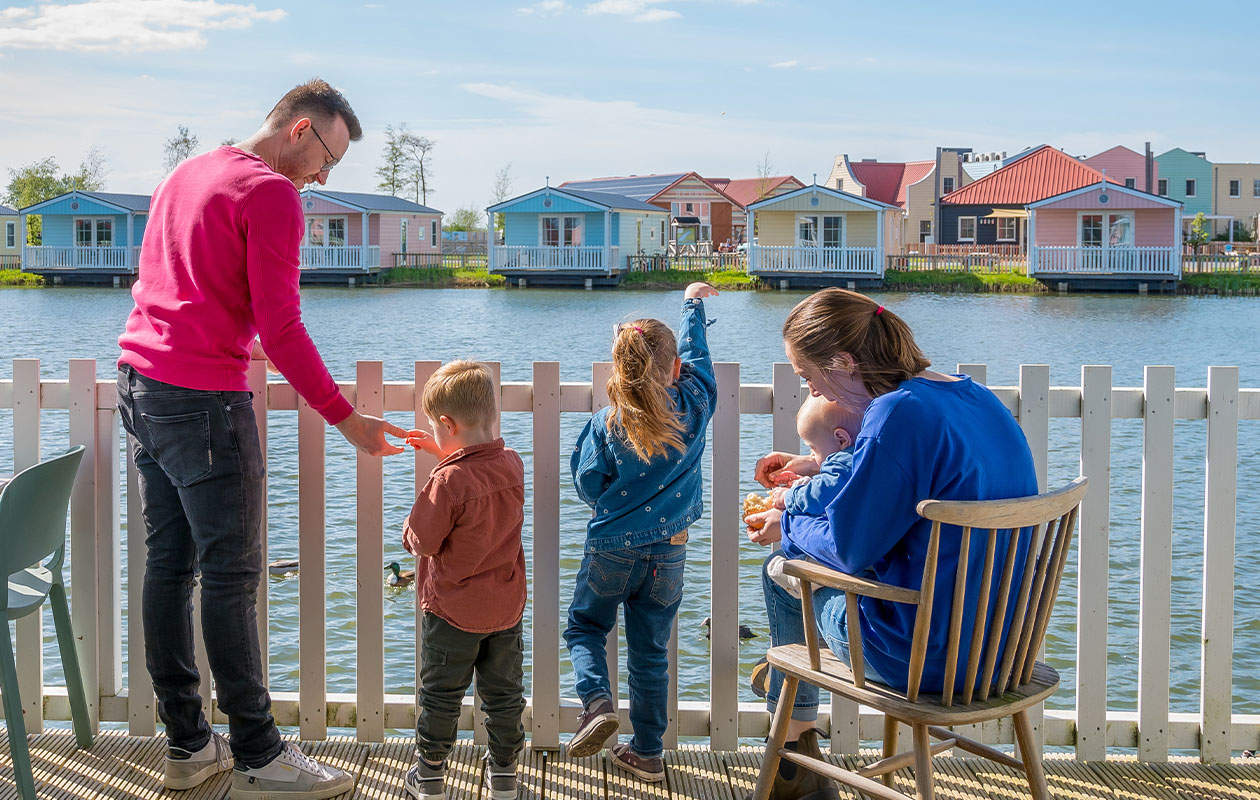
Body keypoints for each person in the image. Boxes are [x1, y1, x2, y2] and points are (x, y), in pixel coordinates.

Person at [116, 78, 407, 799]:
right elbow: (282, 327)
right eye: (327, 159)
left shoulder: (187, 172)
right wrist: (346, 418)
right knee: (231, 576)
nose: (323, 178)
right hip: (203, 401)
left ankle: (188, 745)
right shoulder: (271, 193)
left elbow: (178, 285)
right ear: (300, 128)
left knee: (168, 566)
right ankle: (258, 753)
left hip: (141, 383)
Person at [744, 289, 1038, 800]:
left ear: (844, 362)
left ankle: (794, 752)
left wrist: (786, 523)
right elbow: (905, 468)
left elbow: (848, 549)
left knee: (783, 571)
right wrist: (818, 464)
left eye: (807, 375)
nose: (811, 389)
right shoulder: (976, 398)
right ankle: (789, 717)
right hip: (1004, 650)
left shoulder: (896, 413)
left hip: (924, 657)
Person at [563, 282, 719, 782]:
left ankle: (596, 703)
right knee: (651, 652)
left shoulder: (608, 422)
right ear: (675, 369)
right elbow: (698, 359)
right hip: (669, 553)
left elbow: (588, 481)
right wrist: (692, 305)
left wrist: (609, 505)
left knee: (585, 627)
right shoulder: (695, 403)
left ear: (618, 370)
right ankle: (648, 753)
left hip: (612, 548)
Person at [399, 361, 526, 800]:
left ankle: (431, 776)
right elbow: (478, 481)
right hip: (504, 610)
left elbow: (423, 540)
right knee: (504, 695)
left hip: (452, 612)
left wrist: (409, 529)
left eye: (438, 429)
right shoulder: (512, 465)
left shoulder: (446, 481)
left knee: (441, 695)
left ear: (447, 425)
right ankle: (504, 774)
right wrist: (445, 455)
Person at [755, 394, 863, 602]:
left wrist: (789, 496)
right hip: (866, 547)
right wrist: (805, 481)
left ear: (841, 439)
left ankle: (799, 582)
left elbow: (820, 496)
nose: (811, 455)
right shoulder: (864, 457)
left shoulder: (843, 463)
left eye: (813, 448)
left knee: (786, 566)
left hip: (852, 555)